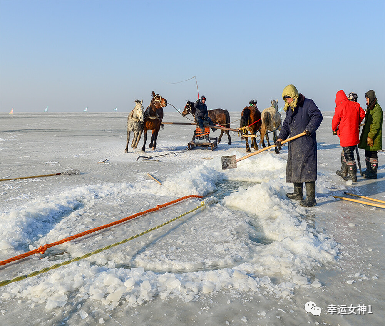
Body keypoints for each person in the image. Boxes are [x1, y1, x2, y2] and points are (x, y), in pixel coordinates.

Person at [275, 84, 323, 207]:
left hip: (306, 142)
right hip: (294, 143)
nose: (287, 100)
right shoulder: (290, 108)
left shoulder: (307, 103)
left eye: (288, 97)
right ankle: (298, 193)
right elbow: (286, 125)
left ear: (294, 95)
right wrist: (281, 137)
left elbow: (317, 116)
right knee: (295, 167)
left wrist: (309, 128)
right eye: (285, 99)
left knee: (307, 169)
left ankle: (311, 198)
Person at [332, 90, 365, 182]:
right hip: (354, 134)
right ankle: (344, 171)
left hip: (346, 135)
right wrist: (357, 121)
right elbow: (362, 114)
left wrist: (334, 128)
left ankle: (353, 176)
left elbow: (335, 120)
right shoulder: (355, 105)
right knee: (345, 153)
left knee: (349, 155)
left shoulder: (341, 106)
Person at [358, 90, 383, 179]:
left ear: (371, 98)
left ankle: (373, 172)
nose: (366, 101)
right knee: (367, 152)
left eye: (367, 99)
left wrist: (371, 136)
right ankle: (369, 169)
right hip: (368, 136)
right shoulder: (370, 108)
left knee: (372, 153)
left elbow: (376, 124)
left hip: (374, 137)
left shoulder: (377, 109)